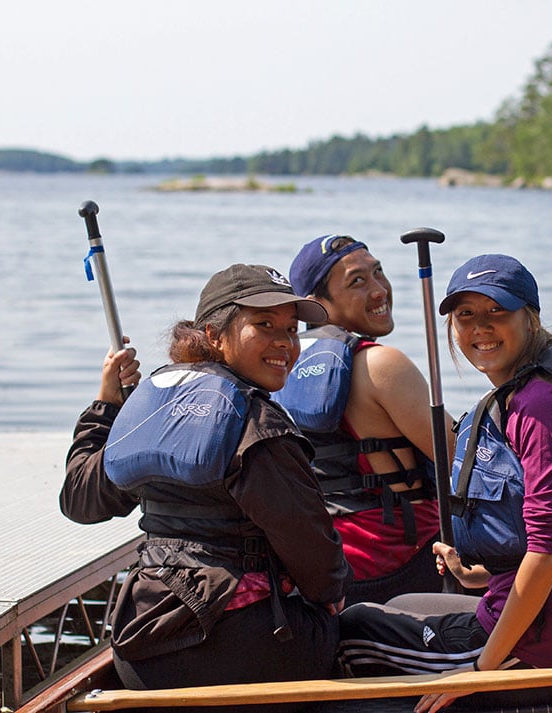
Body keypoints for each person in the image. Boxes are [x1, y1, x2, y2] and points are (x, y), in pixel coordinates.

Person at [337, 254, 552, 713]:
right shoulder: (531, 389)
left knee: (349, 634)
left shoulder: (539, 407)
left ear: (530, 318)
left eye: (496, 312)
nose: (480, 328)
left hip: (538, 649)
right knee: (408, 599)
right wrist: (484, 572)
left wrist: (478, 672)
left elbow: (549, 552)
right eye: (466, 315)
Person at [60, 264, 352, 710]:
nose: (285, 343)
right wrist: (331, 596)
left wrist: (105, 406)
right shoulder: (258, 425)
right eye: (265, 325)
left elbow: (80, 500)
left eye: (292, 329)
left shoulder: (149, 410)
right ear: (214, 336)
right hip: (248, 651)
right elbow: (312, 548)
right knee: (355, 628)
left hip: (142, 654)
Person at [271, 235, 452, 605]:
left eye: (378, 272)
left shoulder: (278, 366)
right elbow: (462, 461)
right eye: (357, 281)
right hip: (400, 563)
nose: (379, 290)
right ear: (315, 304)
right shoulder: (379, 364)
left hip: (325, 567)